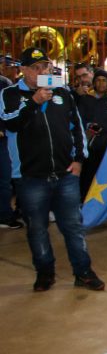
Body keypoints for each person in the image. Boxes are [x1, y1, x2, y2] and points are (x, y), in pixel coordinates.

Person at [0, 47, 104, 291]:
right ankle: (45, 273)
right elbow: (10, 123)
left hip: (66, 173)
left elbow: (77, 127)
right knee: (37, 229)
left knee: (73, 227)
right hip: (30, 177)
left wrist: (79, 159)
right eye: (35, 68)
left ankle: (84, 272)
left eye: (45, 67)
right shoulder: (10, 94)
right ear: (23, 70)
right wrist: (34, 102)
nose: (41, 72)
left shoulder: (62, 93)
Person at [79, 68, 107, 201]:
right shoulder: (86, 99)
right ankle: (85, 202)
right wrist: (89, 126)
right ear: (94, 83)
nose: (101, 84)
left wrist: (104, 127)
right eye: (98, 81)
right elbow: (80, 117)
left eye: (104, 81)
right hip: (90, 144)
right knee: (88, 175)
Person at [0, 55, 24, 229]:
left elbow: (9, 112)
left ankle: (5, 215)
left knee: (5, 178)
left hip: (2, 138)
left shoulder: (5, 84)